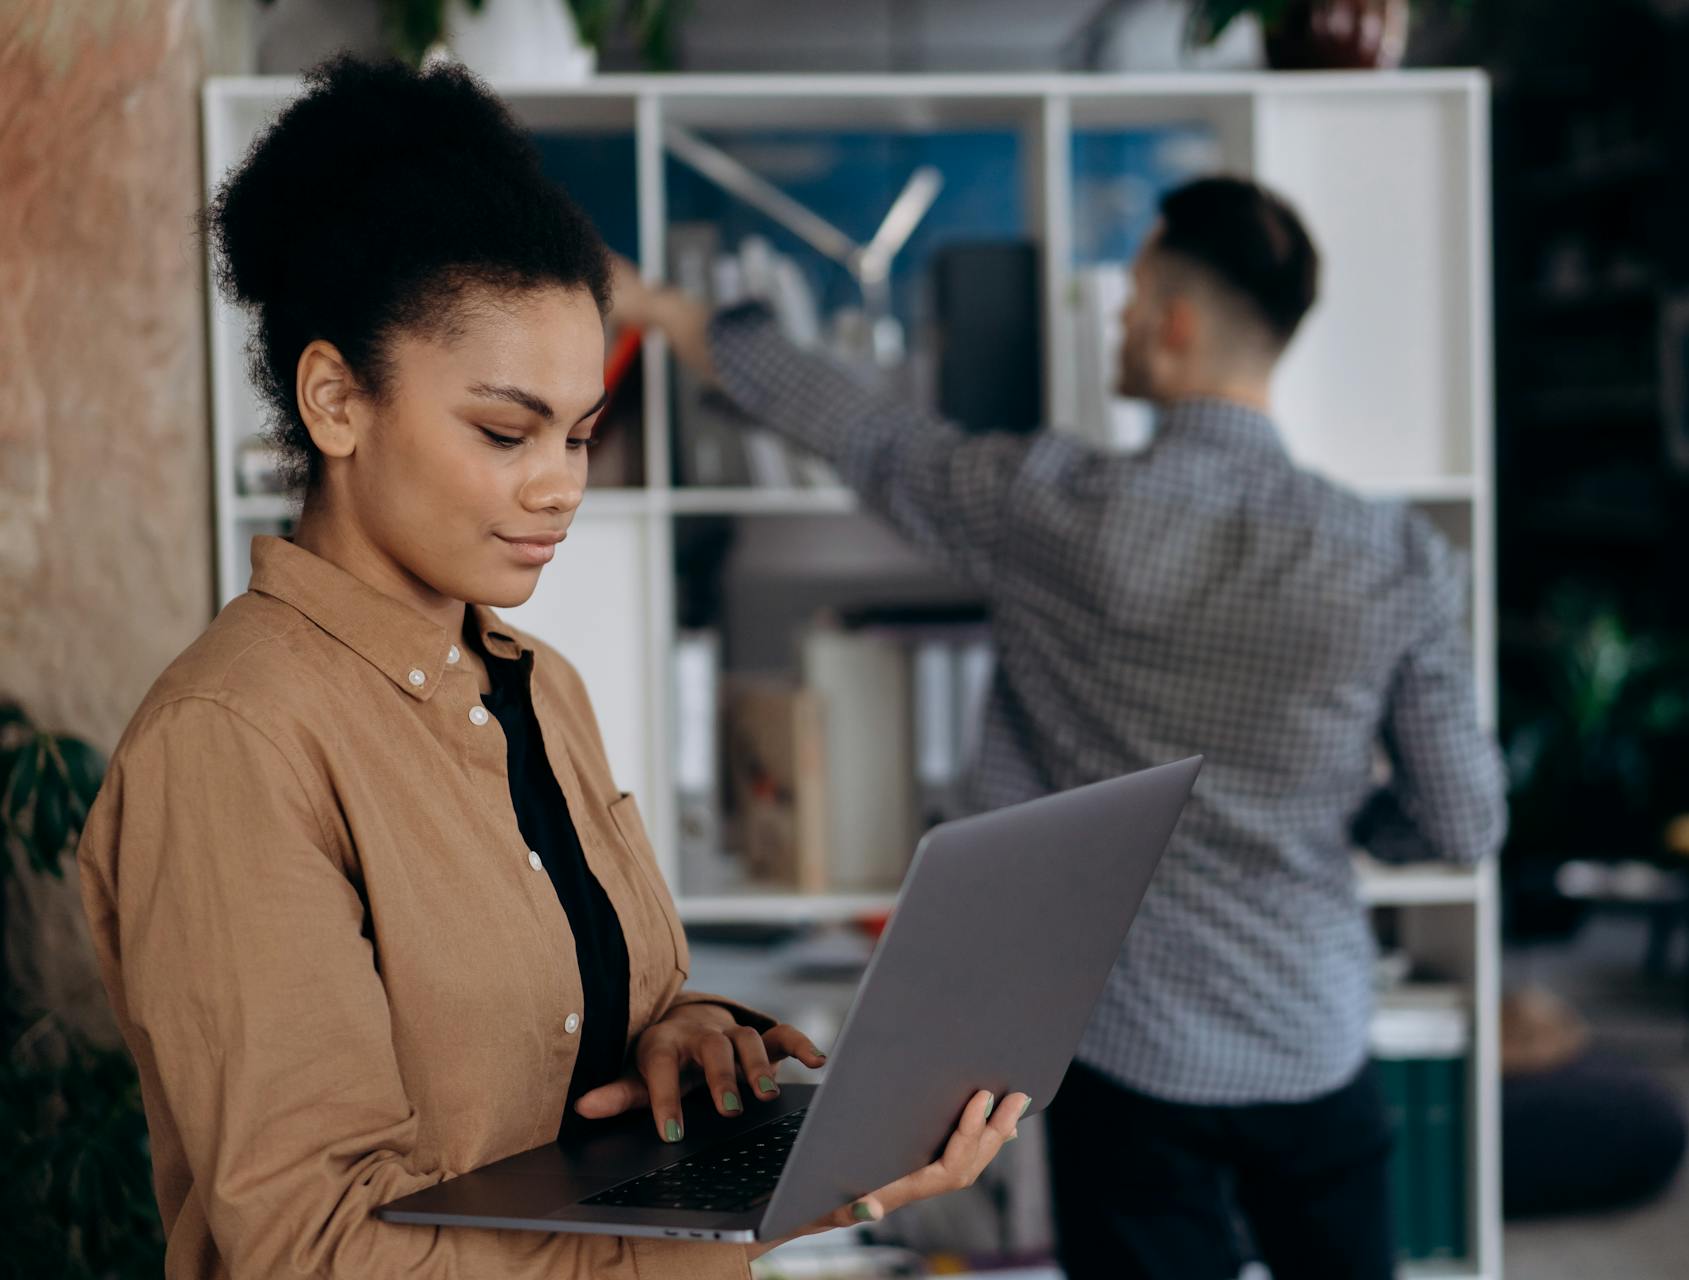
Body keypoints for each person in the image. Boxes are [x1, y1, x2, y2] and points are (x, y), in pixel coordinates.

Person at [76, 57, 1026, 1280]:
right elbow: (313, 1251)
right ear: (333, 400)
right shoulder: (235, 741)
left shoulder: (538, 683)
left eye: (580, 433)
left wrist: (682, 1039)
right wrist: (725, 1222)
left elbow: (570, 1035)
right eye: (504, 431)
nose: (561, 483)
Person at [619, 174, 1507, 1279]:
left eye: (1135, 300)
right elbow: (1465, 820)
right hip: (1312, 1028)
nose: (1123, 324)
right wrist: (1357, 823)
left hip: (1136, 1051)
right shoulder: (1400, 558)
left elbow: (867, 433)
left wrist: (669, 311)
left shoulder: (1054, 511)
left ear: (1176, 324)